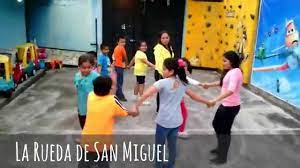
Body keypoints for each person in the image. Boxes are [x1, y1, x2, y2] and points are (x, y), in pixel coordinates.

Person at [133, 58, 213, 168]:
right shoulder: (183, 82)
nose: (162, 70)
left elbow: (146, 94)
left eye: (164, 69)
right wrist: (207, 102)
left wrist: (136, 106)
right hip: (176, 121)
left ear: (171, 71)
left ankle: (159, 166)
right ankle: (170, 165)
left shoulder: (162, 83)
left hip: (163, 121)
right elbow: (194, 96)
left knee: (159, 147)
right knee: (172, 146)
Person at [79, 76, 138, 168]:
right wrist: (134, 111)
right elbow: (125, 112)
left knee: (85, 163)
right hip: (103, 144)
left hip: (86, 140)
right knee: (103, 163)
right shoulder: (112, 100)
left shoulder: (90, 96)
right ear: (109, 89)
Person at [201, 51, 243, 165]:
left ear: (232, 61)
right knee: (216, 124)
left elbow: (231, 90)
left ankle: (222, 157)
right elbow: (222, 83)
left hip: (231, 106)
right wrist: (208, 85)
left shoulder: (235, 72)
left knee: (224, 131)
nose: (222, 63)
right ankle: (220, 148)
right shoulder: (230, 71)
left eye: (225, 61)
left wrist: (214, 100)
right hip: (226, 104)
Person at [74, 54, 99, 129]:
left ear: (93, 67)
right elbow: (78, 86)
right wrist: (82, 79)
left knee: (93, 126)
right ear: (79, 67)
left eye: (89, 67)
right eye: (83, 68)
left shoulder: (96, 76)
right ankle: (85, 139)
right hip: (82, 106)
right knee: (83, 125)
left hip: (93, 106)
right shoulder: (77, 76)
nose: (86, 70)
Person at [178, 58, 201, 138]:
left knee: (183, 113)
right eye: (182, 66)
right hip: (176, 101)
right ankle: (179, 131)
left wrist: (202, 84)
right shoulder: (178, 78)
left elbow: (190, 80)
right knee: (183, 113)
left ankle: (179, 130)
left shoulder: (182, 77)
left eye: (185, 66)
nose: (184, 68)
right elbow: (192, 95)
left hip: (179, 101)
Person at [153, 31, 174, 112]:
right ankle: (159, 109)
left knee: (168, 91)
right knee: (161, 91)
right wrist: (164, 74)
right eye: (163, 38)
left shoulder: (169, 46)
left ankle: (166, 107)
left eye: (167, 37)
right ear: (160, 39)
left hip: (169, 72)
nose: (165, 40)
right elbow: (159, 63)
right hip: (160, 73)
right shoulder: (158, 48)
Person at [112, 35, 128, 101]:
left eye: (124, 42)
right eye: (121, 42)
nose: (123, 43)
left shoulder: (115, 48)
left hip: (116, 66)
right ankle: (120, 96)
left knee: (118, 81)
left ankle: (118, 94)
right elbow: (125, 57)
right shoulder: (122, 48)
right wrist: (127, 65)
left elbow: (113, 57)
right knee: (120, 82)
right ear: (117, 42)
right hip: (120, 67)